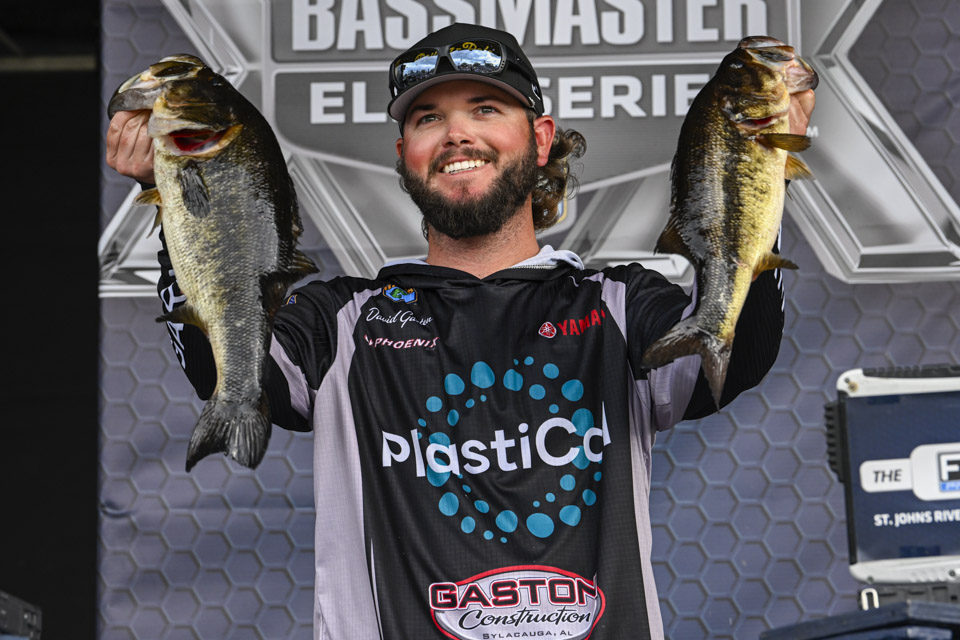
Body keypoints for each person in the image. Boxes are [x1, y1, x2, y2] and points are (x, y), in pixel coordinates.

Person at [107, 23, 814, 640]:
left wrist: (759, 166)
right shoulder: (339, 320)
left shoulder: (622, 306)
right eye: (428, 118)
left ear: (540, 138)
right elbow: (230, 374)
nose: (456, 134)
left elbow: (738, 356)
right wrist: (176, 198)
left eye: (485, 108)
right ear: (404, 153)